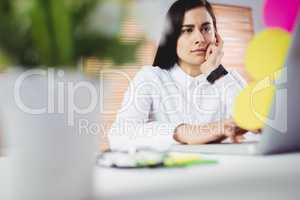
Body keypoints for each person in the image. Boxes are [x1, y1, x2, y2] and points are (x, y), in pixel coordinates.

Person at [108, 0, 256, 151]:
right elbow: (119, 136)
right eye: (187, 30)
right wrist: (185, 133)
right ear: (172, 38)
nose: (200, 39)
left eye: (206, 28)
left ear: (217, 37)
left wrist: (216, 73)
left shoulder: (229, 79)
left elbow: (255, 128)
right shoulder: (151, 78)